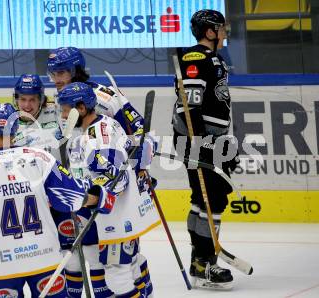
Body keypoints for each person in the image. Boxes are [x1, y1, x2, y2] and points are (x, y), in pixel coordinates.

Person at [0, 102, 116, 298]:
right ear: (16, 127)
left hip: (1, 264)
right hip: (43, 258)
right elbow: (71, 198)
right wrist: (101, 197)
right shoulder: (40, 158)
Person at [47, 47, 157, 298]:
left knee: (121, 261)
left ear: (76, 70)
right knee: (99, 257)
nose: (56, 79)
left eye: (62, 72)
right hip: (89, 188)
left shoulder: (104, 96)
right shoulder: (63, 97)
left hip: (112, 192)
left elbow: (141, 133)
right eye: (52, 73)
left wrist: (139, 170)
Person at [171, 9, 239, 290]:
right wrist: (200, 141)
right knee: (210, 200)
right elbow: (189, 106)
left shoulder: (213, 58)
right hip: (197, 138)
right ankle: (205, 263)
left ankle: (200, 261)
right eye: (221, 28)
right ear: (210, 31)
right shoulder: (196, 57)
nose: (224, 32)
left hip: (212, 138)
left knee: (208, 200)